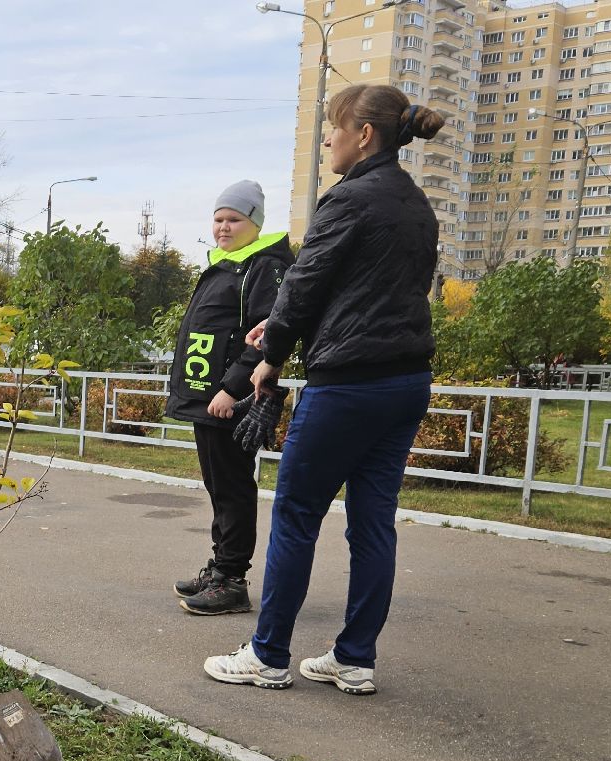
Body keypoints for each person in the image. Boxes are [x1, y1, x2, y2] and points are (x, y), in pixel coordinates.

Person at [204, 85, 446, 696]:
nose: (328, 140)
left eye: (334, 129)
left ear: (365, 135)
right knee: (373, 524)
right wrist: (292, 328)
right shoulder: (416, 204)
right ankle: (355, 658)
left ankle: (268, 655)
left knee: (296, 515)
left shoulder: (350, 199)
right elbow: (369, 291)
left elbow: (305, 285)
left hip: (348, 385)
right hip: (406, 381)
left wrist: (270, 355)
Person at [163, 181, 294, 617]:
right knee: (217, 486)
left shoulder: (262, 265)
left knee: (233, 488)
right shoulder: (227, 264)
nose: (223, 226)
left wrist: (232, 389)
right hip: (207, 397)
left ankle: (232, 581)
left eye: (233, 219)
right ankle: (220, 568)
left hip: (227, 399)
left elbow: (265, 332)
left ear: (254, 222)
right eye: (218, 219)